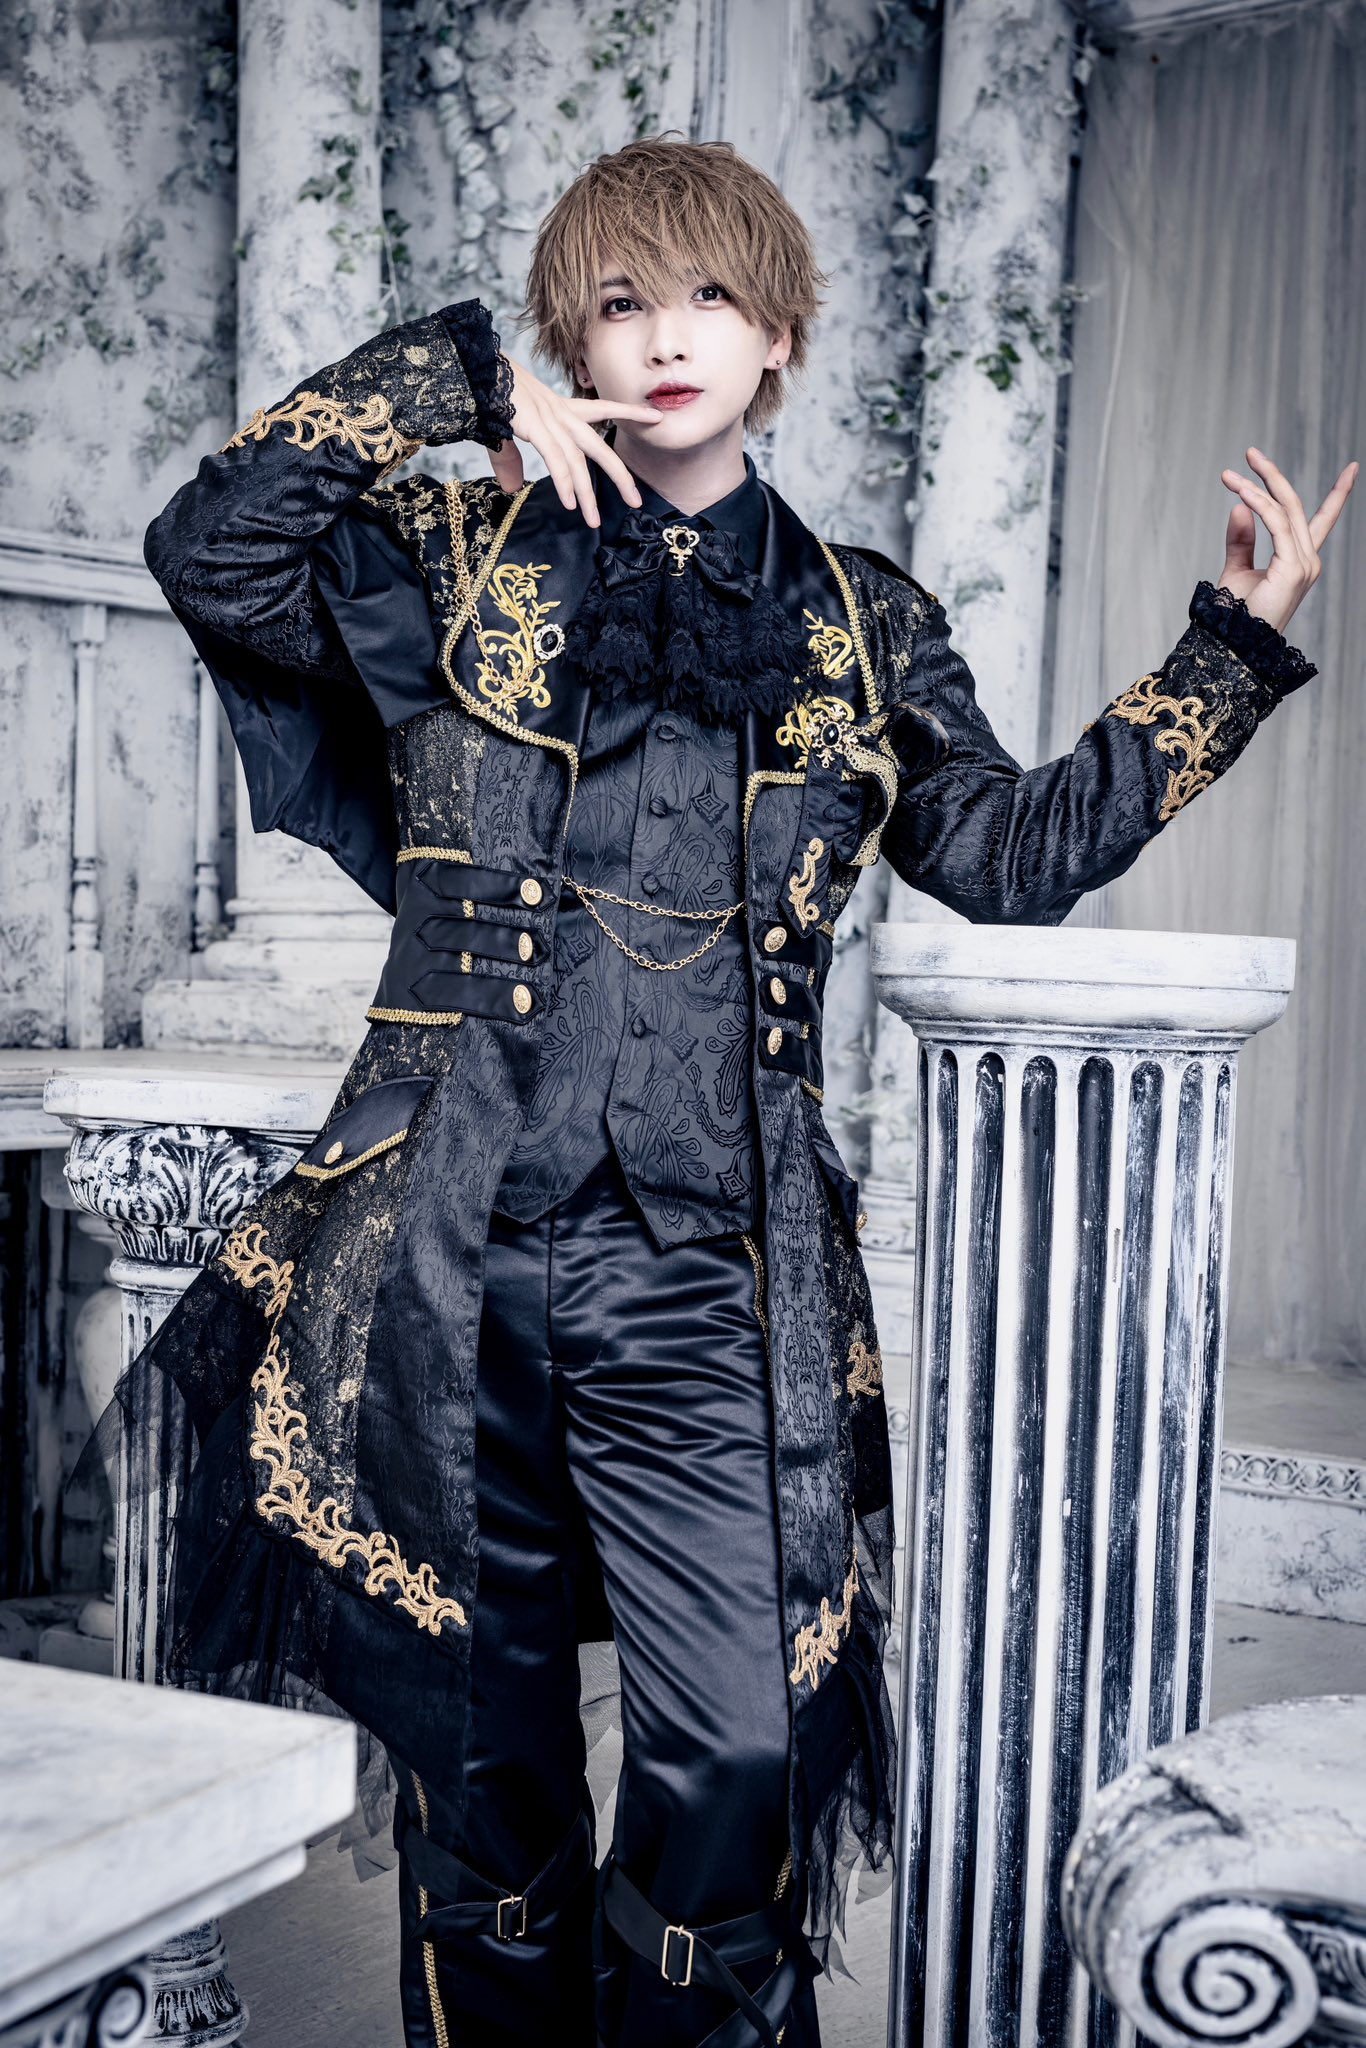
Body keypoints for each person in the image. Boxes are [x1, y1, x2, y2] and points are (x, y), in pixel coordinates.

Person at [137, 135, 1353, 2048]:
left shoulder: (861, 619)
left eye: (707, 296)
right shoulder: (448, 556)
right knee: (485, 1776)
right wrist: (459, 384)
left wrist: (1231, 651)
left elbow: (1008, 852)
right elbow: (208, 545)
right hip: (443, 1258)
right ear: (572, 340)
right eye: (619, 302)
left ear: (775, 334)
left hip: (714, 1276)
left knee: (736, 1757)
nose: (665, 334)